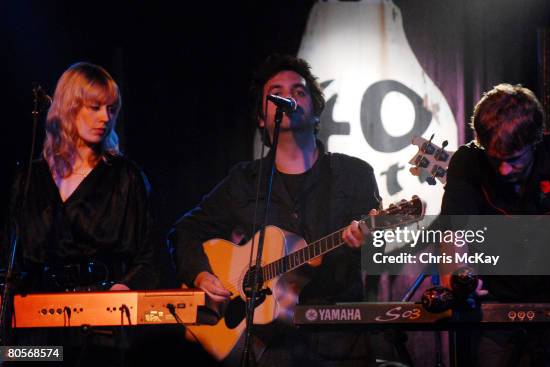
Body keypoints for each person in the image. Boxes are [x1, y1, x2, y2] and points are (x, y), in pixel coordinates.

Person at [169, 54, 381, 366]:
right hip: (264, 349)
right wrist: (201, 275)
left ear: (315, 109)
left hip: (340, 343)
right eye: (276, 93)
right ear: (261, 116)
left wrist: (366, 242)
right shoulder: (244, 181)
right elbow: (184, 231)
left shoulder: (354, 174)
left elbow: (382, 248)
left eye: (299, 91)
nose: (288, 98)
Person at [440, 83, 550, 366]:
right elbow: (455, 231)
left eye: (514, 160)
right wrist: (457, 273)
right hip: (493, 310)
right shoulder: (467, 161)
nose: (505, 170)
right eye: (496, 161)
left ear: (536, 140)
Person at [2, 62, 156, 365]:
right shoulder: (29, 180)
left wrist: (124, 287)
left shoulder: (125, 178)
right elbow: (10, 256)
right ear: (69, 108)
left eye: (111, 109)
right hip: (37, 332)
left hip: (102, 331)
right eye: (95, 107)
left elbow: (149, 257)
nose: (105, 118)